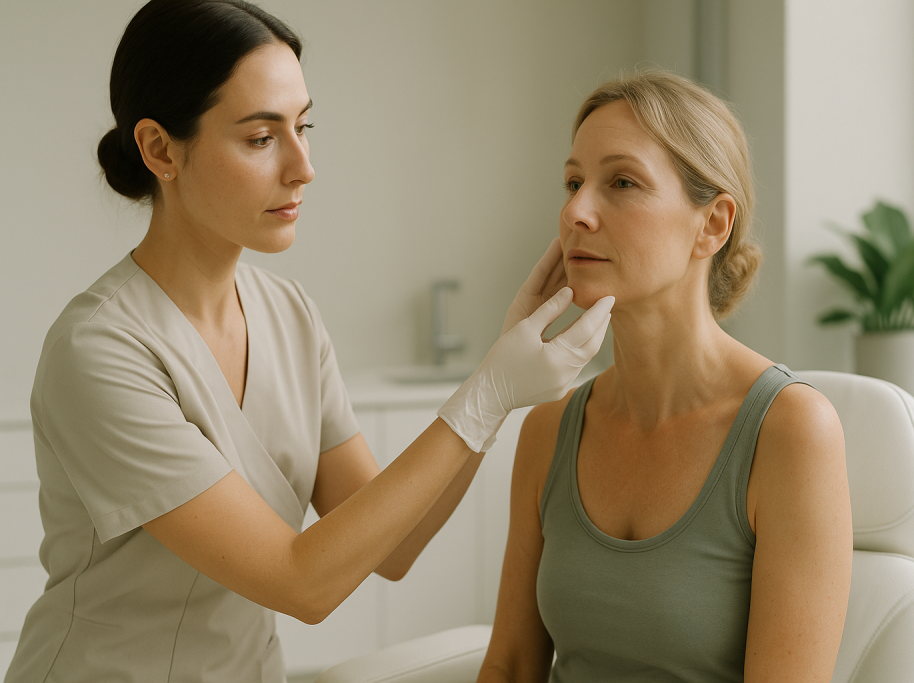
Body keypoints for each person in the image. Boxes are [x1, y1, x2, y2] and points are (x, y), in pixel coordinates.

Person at [4, 2, 614, 681]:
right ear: (160, 150)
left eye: (303, 127)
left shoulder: (289, 315)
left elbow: (395, 547)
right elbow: (300, 582)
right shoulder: (99, 352)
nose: (303, 167)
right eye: (261, 138)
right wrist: (486, 394)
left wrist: (497, 385)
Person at [478, 72, 853, 682]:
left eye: (622, 182)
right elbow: (512, 665)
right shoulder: (549, 427)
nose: (575, 212)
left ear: (713, 224)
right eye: (573, 183)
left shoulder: (790, 431)